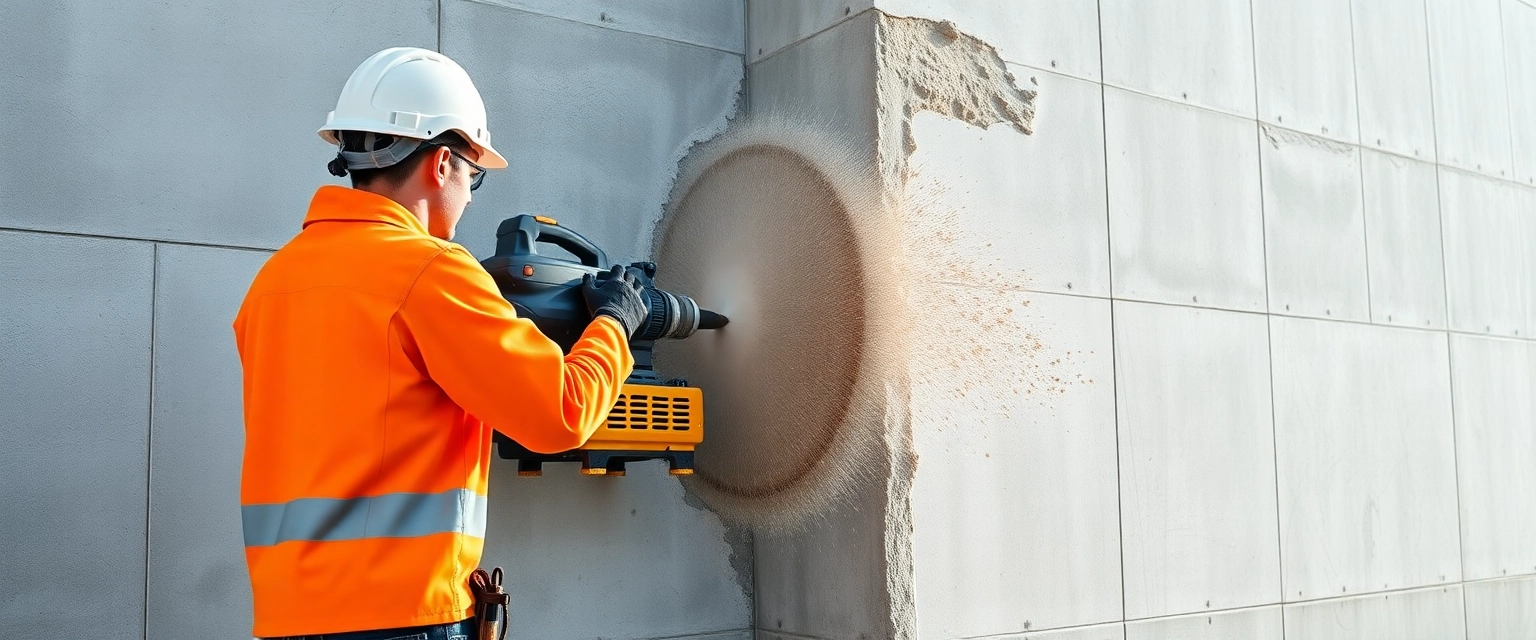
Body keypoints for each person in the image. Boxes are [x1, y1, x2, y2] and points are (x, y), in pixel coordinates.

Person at [233, 47, 647, 640]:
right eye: (473, 175)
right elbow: (562, 413)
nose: (473, 195)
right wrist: (614, 323)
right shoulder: (428, 271)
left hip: (287, 621)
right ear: (442, 162)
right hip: (402, 620)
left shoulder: (273, 284)